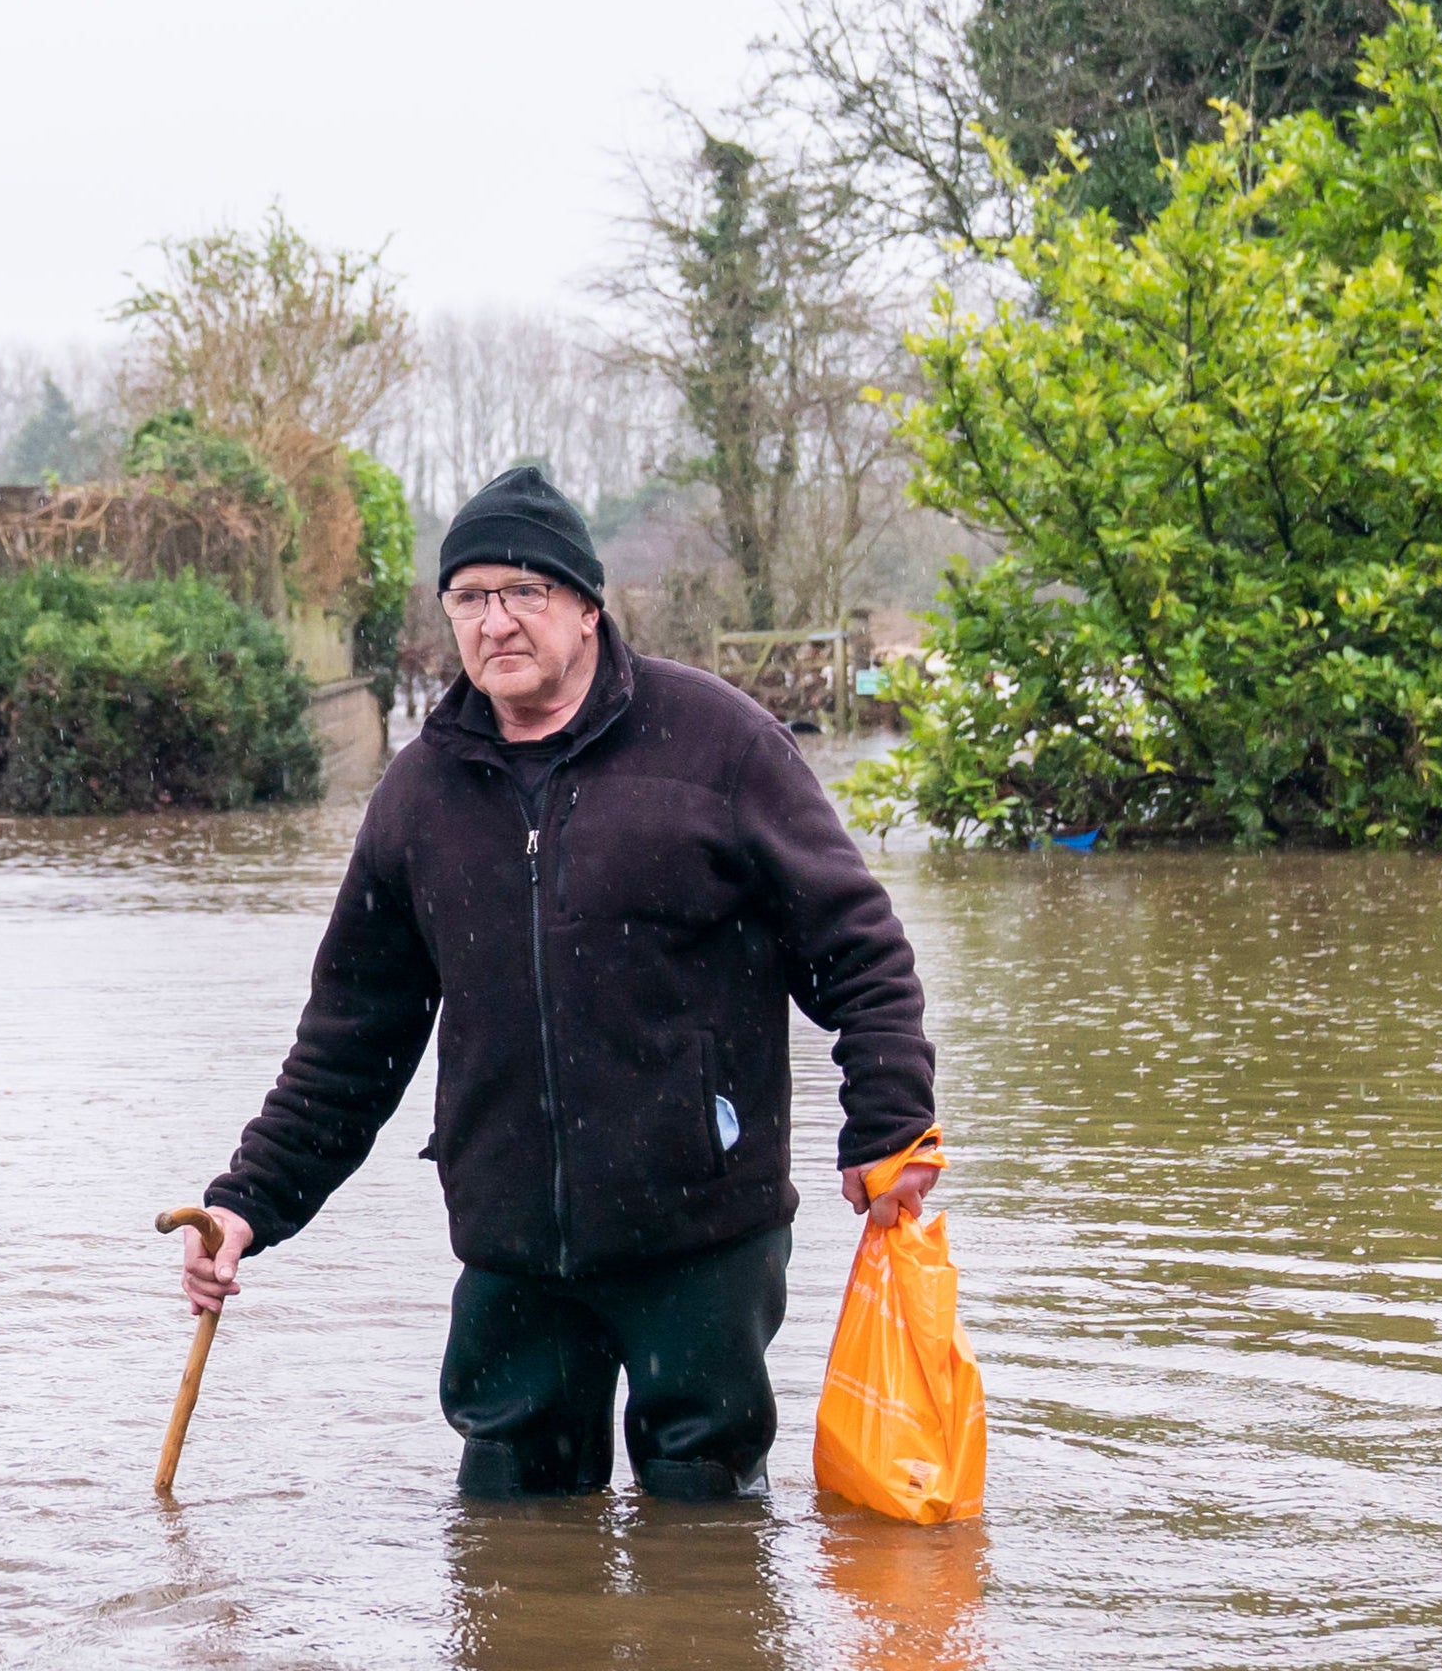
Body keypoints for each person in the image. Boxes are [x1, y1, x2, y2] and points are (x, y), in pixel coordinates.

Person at [174, 465, 938, 1499]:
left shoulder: (717, 745)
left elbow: (857, 945)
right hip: (513, 1249)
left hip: (700, 1231)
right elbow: (352, 1039)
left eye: (525, 592)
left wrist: (889, 1122)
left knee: (704, 1533)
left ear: (585, 606)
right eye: (470, 598)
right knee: (510, 1545)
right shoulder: (417, 796)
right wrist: (248, 1204)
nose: (497, 621)